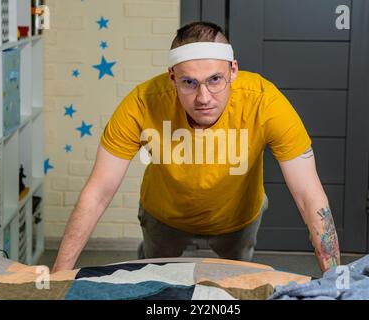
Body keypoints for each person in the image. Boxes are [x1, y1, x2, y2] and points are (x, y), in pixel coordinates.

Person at [52, 21, 341, 274]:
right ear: (172, 77)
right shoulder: (142, 102)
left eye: (215, 80)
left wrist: (336, 280)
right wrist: (58, 276)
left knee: (234, 287)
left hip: (237, 219)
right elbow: (98, 192)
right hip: (163, 216)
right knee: (154, 285)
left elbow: (308, 195)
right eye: (189, 82)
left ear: (233, 71)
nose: (204, 97)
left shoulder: (264, 102)